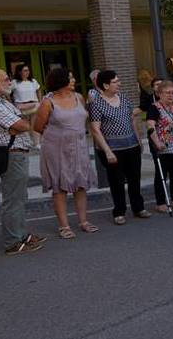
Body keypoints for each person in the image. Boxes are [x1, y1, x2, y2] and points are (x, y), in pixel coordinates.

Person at [33, 68, 98, 238]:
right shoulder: (48, 102)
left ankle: (83, 221)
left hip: (79, 146)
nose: (74, 80)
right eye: (70, 78)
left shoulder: (79, 97)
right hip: (56, 149)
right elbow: (37, 126)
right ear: (60, 81)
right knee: (60, 187)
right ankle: (64, 226)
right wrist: (59, 135)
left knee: (80, 184)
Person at [0, 68, 46, 255]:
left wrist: (18, 124)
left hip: (17, 152)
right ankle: (13, 241)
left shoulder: (2, 100)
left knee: (20, 198)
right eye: (6, 79)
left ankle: (21, 235)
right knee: (13, 200)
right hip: (11, 155)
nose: (10, 82)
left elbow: (21, 122)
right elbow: (22, 124)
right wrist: (18, 124)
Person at [89, 70, 151, 225]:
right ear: (105, 85)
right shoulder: (96, 104)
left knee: (134, 178)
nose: (119, 83)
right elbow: (95, 130)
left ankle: (138, 208)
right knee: (116, 181)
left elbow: (131, 119)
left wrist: (138, 140)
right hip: (112, 149)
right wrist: (107, 151)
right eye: (115, 81)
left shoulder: (123, 98)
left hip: (131, 145)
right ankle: (119, 211)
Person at [146, 80, 173, 212]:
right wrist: (157, 143)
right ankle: (160, 202)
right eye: (167, 93)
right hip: (161, 147)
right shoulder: (154, 108)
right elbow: (150, 126)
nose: (171, 95)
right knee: (161, 175)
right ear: (159, 94)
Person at [11, 64, 42, 148]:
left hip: (34, 105)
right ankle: (27, 143)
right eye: (25, 70)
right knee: (24, 126)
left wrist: (40, 100)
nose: (27, 72)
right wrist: (10, 102)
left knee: (34, 125)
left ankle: (37, 143)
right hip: (21, 106)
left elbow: (38, 89)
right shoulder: (14, 82)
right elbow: (8, 92)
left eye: (28, 70)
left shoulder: (33, 81)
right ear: (19, 72)